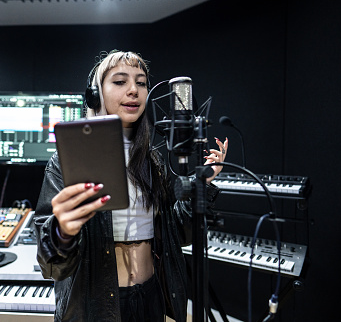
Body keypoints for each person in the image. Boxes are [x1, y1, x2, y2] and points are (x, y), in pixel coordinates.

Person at [34, 50, 228, 322]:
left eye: (141, 82)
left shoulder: (152, 159)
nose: (134, 91)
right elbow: (50, 263)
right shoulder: (66, 160)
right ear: (95, 94)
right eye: (120, 81)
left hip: (149, 298)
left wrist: (202, 184)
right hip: (97, 305)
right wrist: (63, 230)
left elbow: (179, 235)